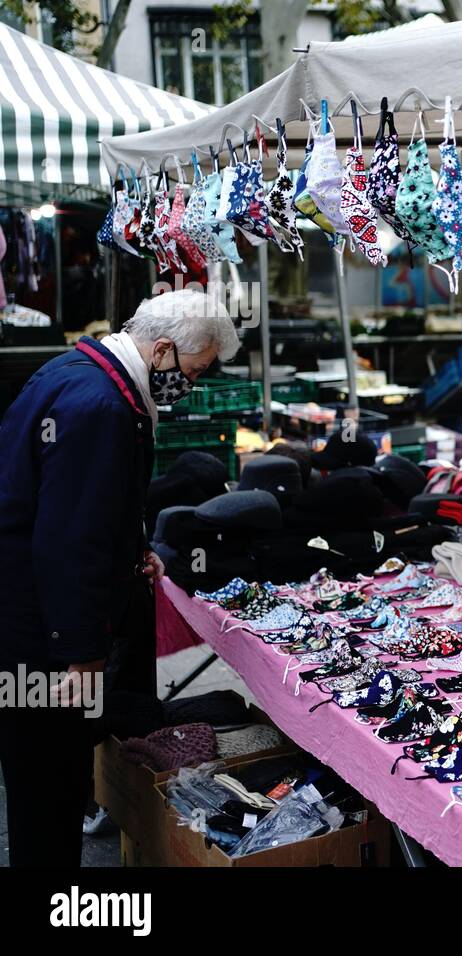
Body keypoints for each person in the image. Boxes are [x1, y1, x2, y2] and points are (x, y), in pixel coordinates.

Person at [0, 289, 239, 866]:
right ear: (161, 351)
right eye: (194, 371)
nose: (194, 386)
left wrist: (131, 549)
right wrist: (80, 657)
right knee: (48, 795)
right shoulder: (100, 406)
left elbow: (79, 501)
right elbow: (68, 542)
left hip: (29, 620)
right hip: (42, 638)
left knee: (44, 786)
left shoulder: (81, 371)